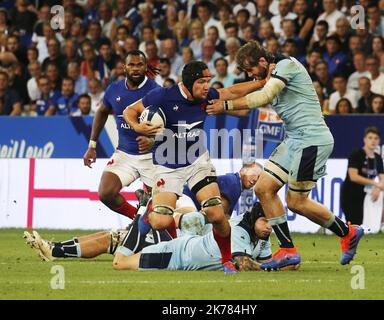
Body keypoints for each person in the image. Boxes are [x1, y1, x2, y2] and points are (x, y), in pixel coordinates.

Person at [206, 40, 364, 270]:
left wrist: (225, 106)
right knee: (263, 188)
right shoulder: (268, 74)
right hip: (294, 140)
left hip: (312, 139)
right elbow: (240, 98)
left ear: (263, 61)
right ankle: (288, 250)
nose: (250, 75)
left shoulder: (286, 66)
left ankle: (347, 232)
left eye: (251, 69)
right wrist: (211, 99)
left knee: (296, 201)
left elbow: (262, 97)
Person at [123, 60, 267, 273]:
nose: (206, 86)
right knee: (161, 222)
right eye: (201, 82)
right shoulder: (163, 96)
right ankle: (145, 210)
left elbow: (231, 91)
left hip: (197, 161)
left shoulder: (206, 96)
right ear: (188, 83)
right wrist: (137, 126)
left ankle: (227, 260)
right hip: (168, 164)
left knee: (217, 215)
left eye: (208, 81)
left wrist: (262, 82)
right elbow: (130, 111)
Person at [23, 166, 263, 262]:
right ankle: (53, 249)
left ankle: (54, 249)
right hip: (182, 232)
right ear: (244, 168)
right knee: (114, 239)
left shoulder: (201, 191)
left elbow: (203, 217)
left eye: (260, 178)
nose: (255, 179)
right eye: (255, 173)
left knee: (115, 239)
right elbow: (212, 215)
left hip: (181, 237)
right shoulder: (232, 183)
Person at [82, 50, 160, 220]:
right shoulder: (114, 89)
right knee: (106, 193)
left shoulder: (156, 91)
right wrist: (92, 146)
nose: (136, 69)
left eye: (140, 64)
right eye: (131, 64)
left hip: (152, 157)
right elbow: (102, 112)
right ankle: (138, 220)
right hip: (125, 154)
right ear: (124, 67)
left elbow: (170, 124)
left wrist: (153, 140)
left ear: (146, 67)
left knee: (160, 208)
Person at [113, 203, 275, 272]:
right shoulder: (239, 228)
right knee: (119, 263)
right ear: (254, 218)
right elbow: (244, 264)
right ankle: (142, 212)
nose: (269, 226)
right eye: (265, 221)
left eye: (271, 222)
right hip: (176, 255)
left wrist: (284, 264)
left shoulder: (262, 233)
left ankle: (150, 223)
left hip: (188, 247)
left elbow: (267, 263)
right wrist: (272, 268)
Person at [341, 127, 384, 227]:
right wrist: (375, 183)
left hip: (367, 192)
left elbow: (383, 180)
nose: (373, 141)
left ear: (379, 141)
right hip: (352, 194)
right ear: (365, 139)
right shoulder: (356, 154)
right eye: (370, 138)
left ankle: (382, 225)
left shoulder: (378, 158)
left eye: (376, 138)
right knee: (355, 226)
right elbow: (353, 176)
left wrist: (378, 188)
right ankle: (329, 229)